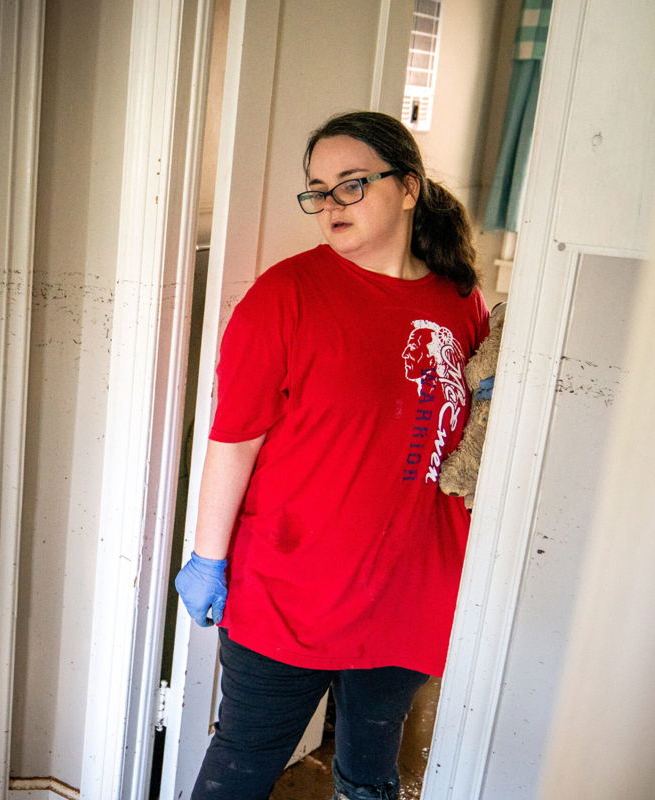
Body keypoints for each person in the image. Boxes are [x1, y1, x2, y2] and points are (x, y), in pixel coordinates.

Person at [174, 110, 489, 800]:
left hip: (407, 583)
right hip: (290, 585)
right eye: (318, 189)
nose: (329, 205)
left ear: (407, 188)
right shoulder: (284, 297)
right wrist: (208, 558)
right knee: (244, 762)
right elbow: (234, 441)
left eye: (351, 185)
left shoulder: (459, 299)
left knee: (371, 769)